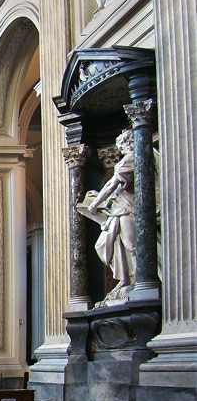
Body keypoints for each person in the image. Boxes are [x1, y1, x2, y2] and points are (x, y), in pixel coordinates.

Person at [82, 128, 137, 303]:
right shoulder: (128, 159)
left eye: (122, 143)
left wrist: (95, 203)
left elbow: (111, 185)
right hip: (117, 209)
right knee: (103, 245)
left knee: (131, 245)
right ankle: (124, 279)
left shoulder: (132, 158)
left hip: (127, 208)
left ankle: (139, 280)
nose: (120, 146)